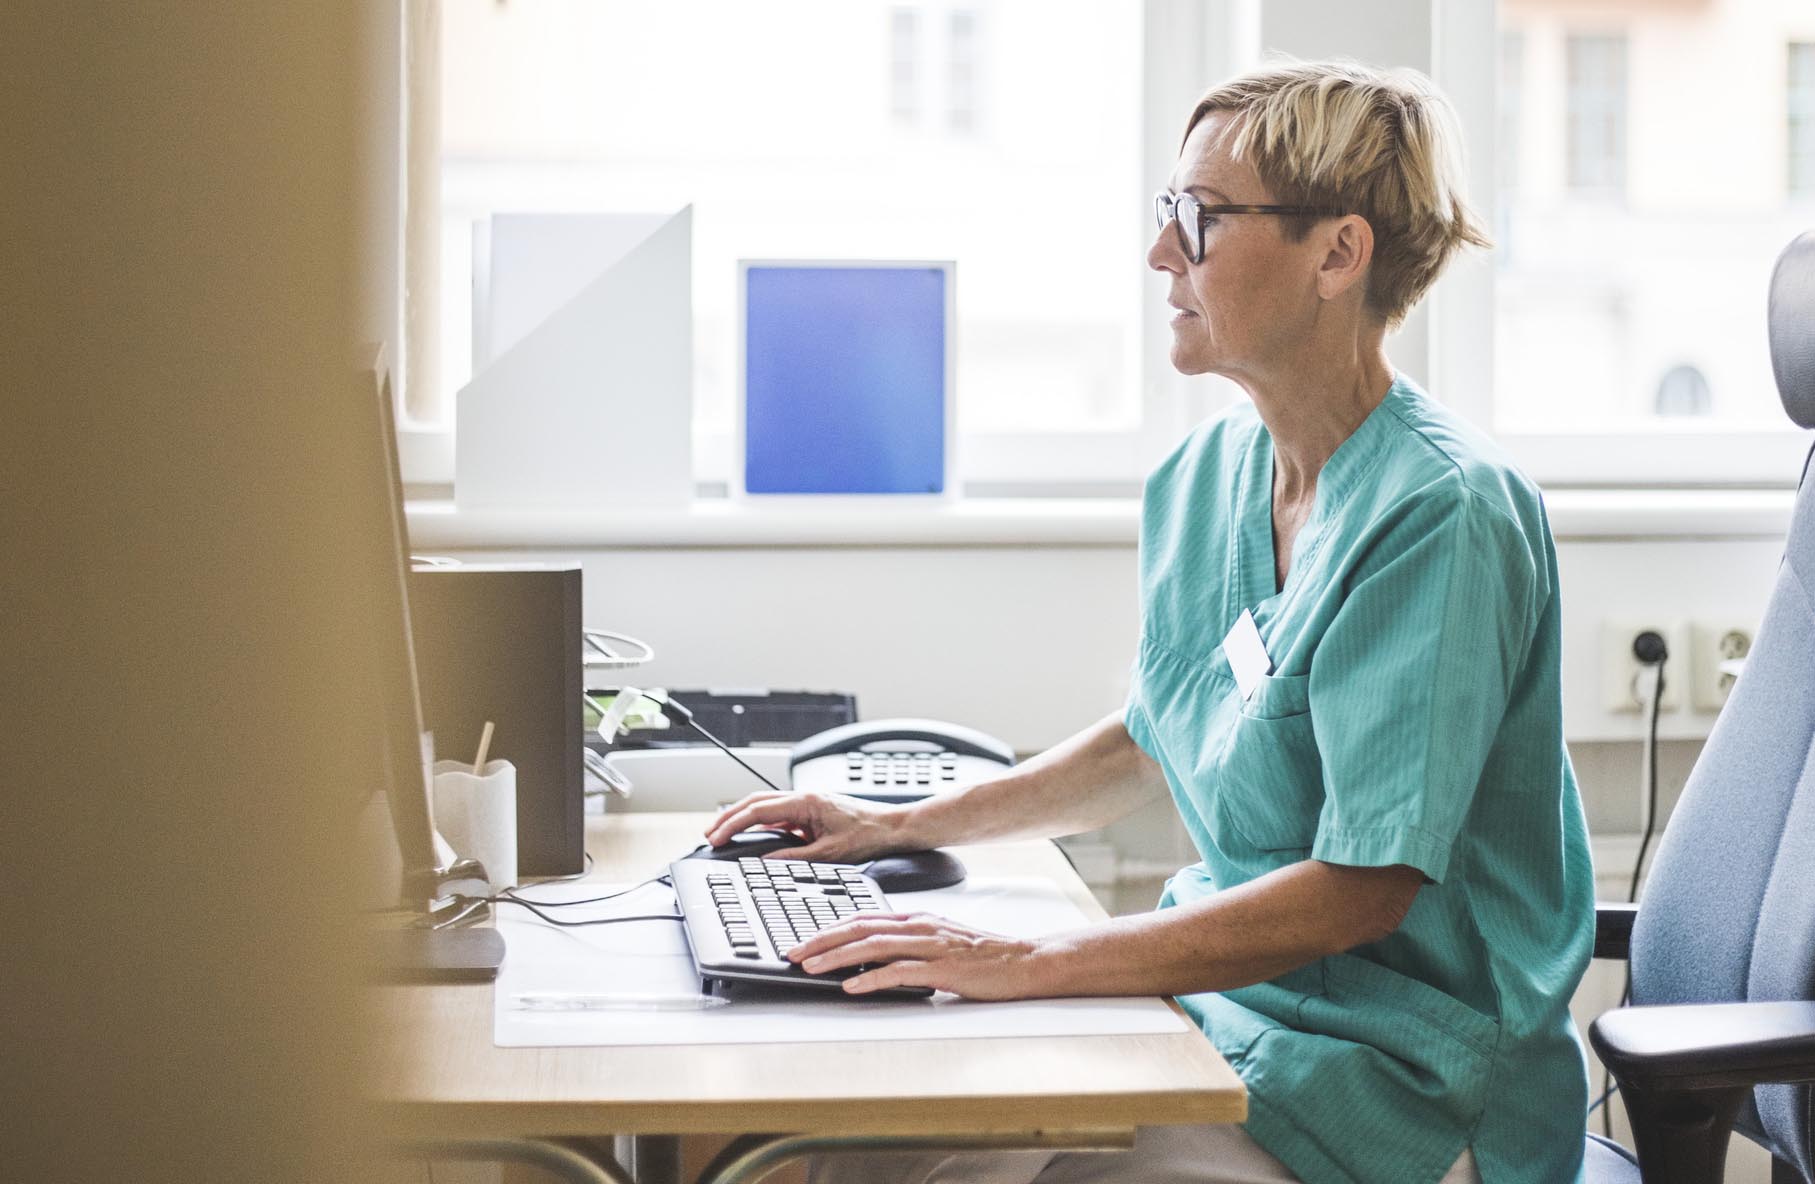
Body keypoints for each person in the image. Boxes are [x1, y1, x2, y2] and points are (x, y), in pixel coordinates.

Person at [704, 58, 1595, 1184]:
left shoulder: (1441, 514)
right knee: (847, 1144)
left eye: (1203, 217)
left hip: (1401, 1080)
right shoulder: (1207, 474)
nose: (1162, 253)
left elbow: (1367, 884)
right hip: (1231, 1021)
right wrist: (893, 825)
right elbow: (1153, 733)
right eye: (1169, 212)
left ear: (1338, 251)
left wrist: (1030, 957)